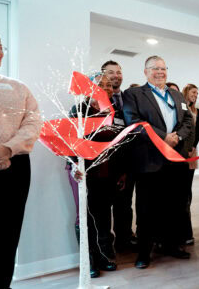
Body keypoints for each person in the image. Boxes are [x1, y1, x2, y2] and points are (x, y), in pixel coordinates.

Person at [123, 55, 194, 269]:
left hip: (175, 159)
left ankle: (171, 245)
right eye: (155, 68)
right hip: (149, 161)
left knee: (174, 206)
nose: (160, 72)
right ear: (145, 72)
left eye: (163, 68)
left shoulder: (176, 94)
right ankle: (144, 252)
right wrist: (163, 136)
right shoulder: (133, 94)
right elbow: (134, 121)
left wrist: (177, 137)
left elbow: (188, 120)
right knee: (146, 208)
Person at [0, 33, 42, 289]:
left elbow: (33, 121)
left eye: (1, 47)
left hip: (17, 166)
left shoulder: (18, 87)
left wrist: (7, 148)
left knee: (8, 232)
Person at [69, 73, 121, 278]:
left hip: (107, 170)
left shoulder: (111, 109)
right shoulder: (79, 109)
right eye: (100, 84)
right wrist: (74, 164)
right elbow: (71, 139)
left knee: (102, 215)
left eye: (109, 85)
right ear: (89, 88)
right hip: (83, 170)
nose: (106, 87)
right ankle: (88, 261)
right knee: (85, 216)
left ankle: (102, 257)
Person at [101, 60, 138, 252]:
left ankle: (125, 239)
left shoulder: (129, 98)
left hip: (127, 161)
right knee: (104, 207)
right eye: (111, 73)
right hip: (105, 164)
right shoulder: (96, 102)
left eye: (119, 72)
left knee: (124, 205)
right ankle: (106, 244)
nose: (116, 76)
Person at [180, 83, 199, 245]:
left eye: (197, 93)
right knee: (181, 191)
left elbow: (197, 132)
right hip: (181, 152)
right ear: (187, 92)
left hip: (192, 152)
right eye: (193, 92)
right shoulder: (182, 108)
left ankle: (187, 229)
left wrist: (192, 148)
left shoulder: (198, 111)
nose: (195, 95)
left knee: (187, 189)